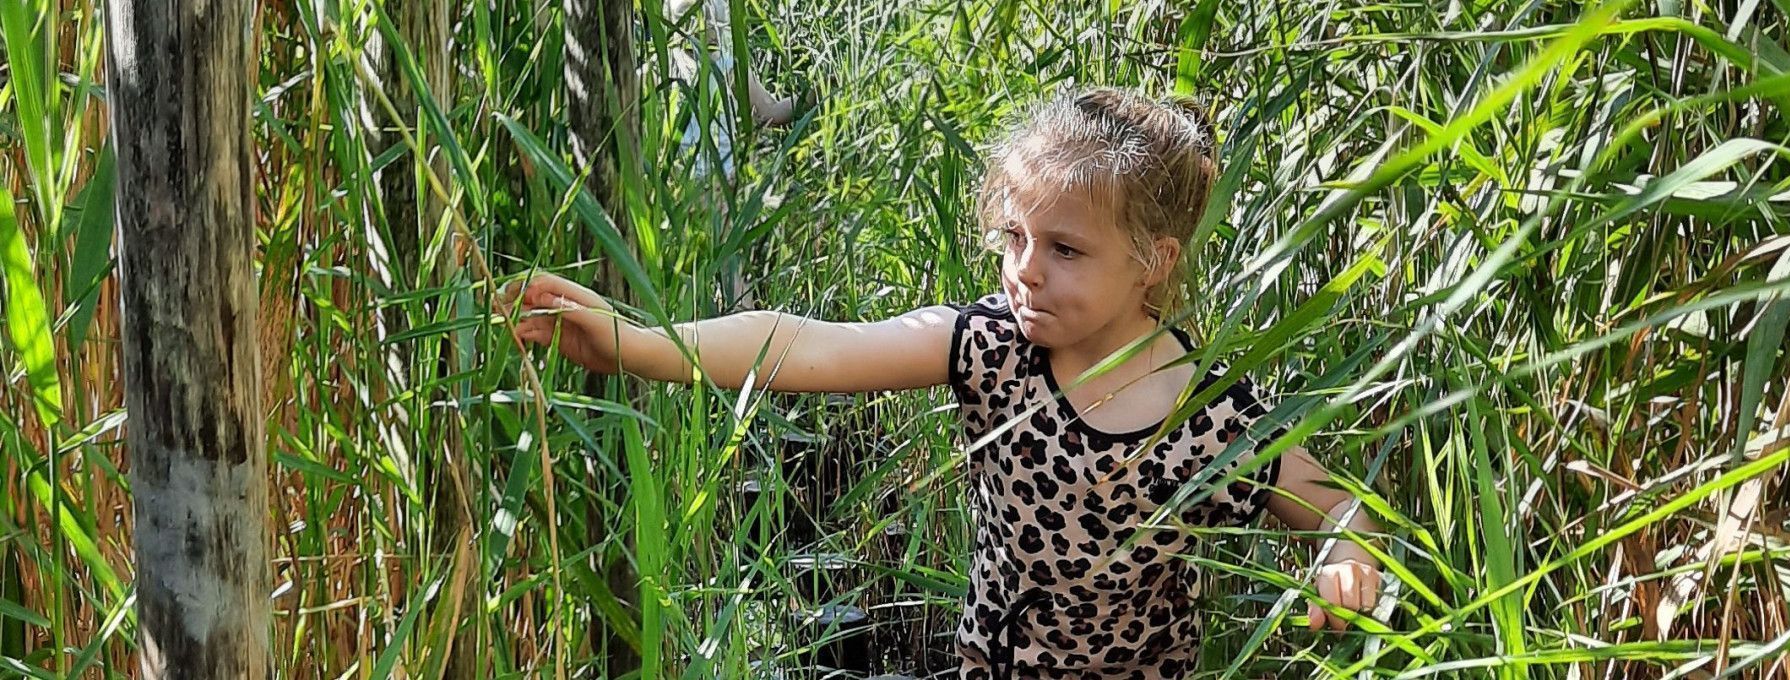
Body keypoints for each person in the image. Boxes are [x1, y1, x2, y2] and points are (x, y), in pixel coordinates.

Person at [498, 86, 1387, 679]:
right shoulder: (991, 348)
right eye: (1013, 238)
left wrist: (1347, 557)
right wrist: (640, 346)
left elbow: (1338, 508)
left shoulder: (1214, 416)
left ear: (1153, 262)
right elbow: (805, 347)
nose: (1025, 272)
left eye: (1066, 250)